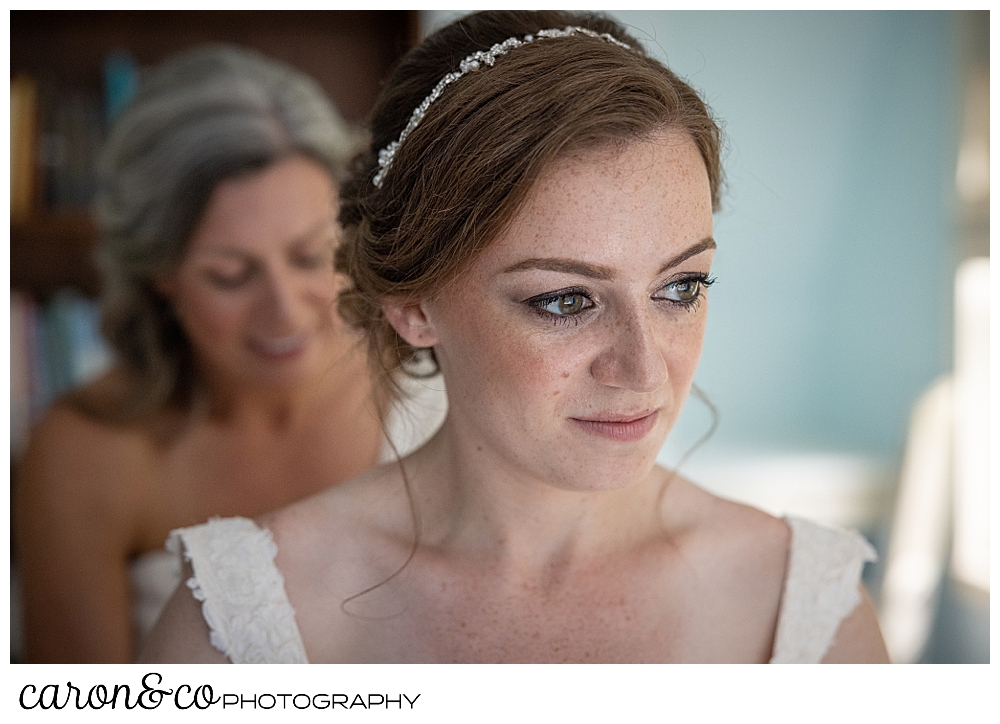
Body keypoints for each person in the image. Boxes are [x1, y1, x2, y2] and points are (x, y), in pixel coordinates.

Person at [141, 11, 889, 664]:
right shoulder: (246, 621)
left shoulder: (803, 615)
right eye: (566, 299)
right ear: (412, 304)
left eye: (680, 288)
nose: (643, 369)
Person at [14, 44, 445, 663]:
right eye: (231, 274)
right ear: (161, 273)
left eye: (307, 256)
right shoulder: (84, 455)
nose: (285, 310)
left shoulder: (438, 386)